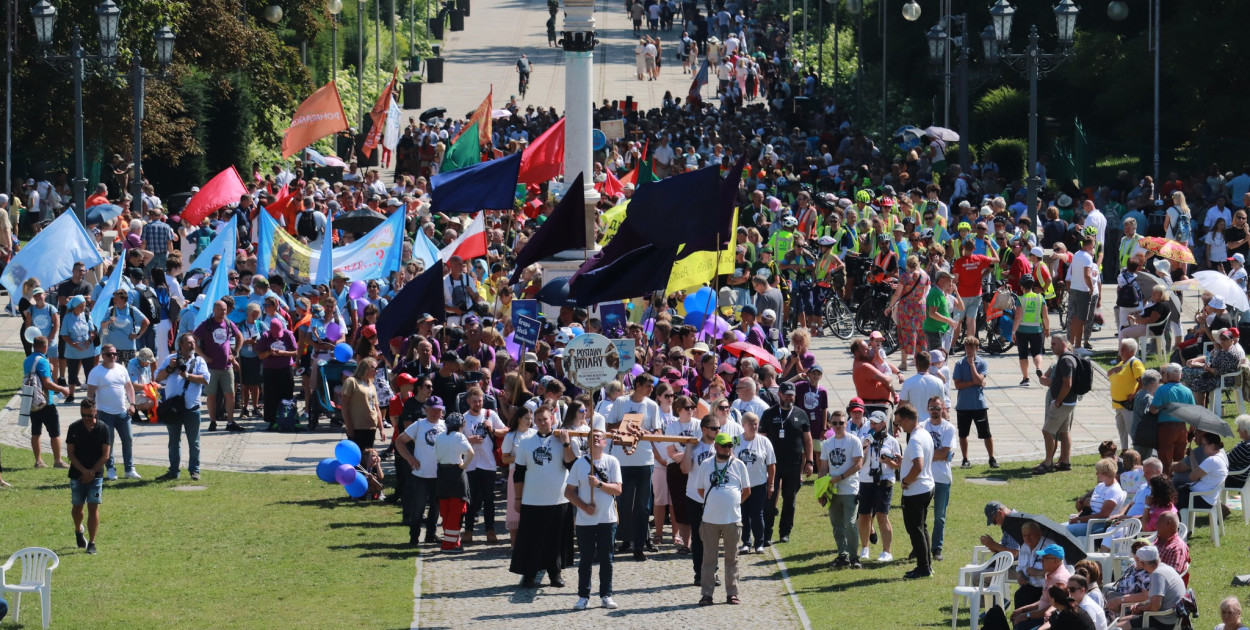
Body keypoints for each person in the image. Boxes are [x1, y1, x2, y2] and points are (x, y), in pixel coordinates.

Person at [511, 403, 575, 587]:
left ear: (552, 419)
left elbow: (571, 465)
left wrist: (566, 444)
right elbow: (519, 473)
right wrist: (517, 498)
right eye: (538, 420)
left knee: (555, 540)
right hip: (532, 499)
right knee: (532, 540)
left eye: (545, 419)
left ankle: (555, 573)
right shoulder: (526, 441)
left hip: (558, 499)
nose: (542, 423)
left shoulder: (563, 439)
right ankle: (529, 573)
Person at [565, 428, 623, 611]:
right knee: (586, 559)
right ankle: (583, 596)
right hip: (585, 520)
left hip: (607, 518)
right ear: (588, 443)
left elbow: (618, 489)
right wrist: (584, 507)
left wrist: (598, 484)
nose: (597, 439)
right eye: (593, 437)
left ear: (605, 442)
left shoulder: (612, 461)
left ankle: (606, 594)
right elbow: (568, 492)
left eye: (600, 437)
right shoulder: (579, 464)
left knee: (607, 558)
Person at [605, 376, 663, 559]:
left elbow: (658, 432)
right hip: (622, 460)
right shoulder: (621, 401)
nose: (650, 390)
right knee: (623, 504)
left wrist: (645, 432)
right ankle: (625, 540)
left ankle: (639, 545)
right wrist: (626, 425)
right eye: (647, 386)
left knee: (643, 506)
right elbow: (609, 426)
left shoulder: (652, 405)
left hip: (644, 460)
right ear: (637, 386)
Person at [695, 432, 750, 606]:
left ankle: (732, 593)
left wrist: (731, 503)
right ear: (716, 447)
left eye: (729, 446)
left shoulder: (739, 465)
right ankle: (707, 594)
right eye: (724, 445)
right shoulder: (705, 464)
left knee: (732, 558)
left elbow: (746, 490)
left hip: (732, 519)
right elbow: (700, 490)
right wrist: (717, 502)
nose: (727, 448)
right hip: (710, 519)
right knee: (709, 559)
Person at [760, 381, 813, 544]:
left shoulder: (801, 414)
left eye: (792, 395)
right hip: (772, 464)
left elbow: (808, 440)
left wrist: (809, 461)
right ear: (780, 395)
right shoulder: (769, 414)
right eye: (787, 394)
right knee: (769, 498)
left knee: (790, 499)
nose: (789, 398)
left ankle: (785, 531)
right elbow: (761, 438)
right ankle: (766, 533)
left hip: (794, 464)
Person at [156, 333, 210, 480]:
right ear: (180, 345)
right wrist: (170, 368)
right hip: (173, 409)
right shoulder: (170, 359)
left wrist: (188, 376)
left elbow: (205, 379)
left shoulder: (199, 361)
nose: (192, 345)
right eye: (188, 342)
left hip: (192, 408)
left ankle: (195, 470)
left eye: (193, 342)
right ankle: (173, 471)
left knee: (194, 441)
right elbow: (157, 377)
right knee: (174, 442)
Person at [819, 405, 864, 568]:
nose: (837, 426)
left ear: (846, 423)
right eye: (834, 423)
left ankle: (854, 556)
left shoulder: (854, 440)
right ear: (830, 424)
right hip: (832, 490)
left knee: (851, 524)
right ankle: (842, 555)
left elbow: (859, 464)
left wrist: (841, 477)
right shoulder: (827, 444)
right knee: (837, 525)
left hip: (850, 489)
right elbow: (823, 467)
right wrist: (821, 489)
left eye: (841, 423)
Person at [893, 403, 935, 578]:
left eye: (899, 422)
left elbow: (918, 466)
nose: (899, 427)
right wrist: (905, 460)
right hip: (926, 487)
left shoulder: (916, 438)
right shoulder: (924, 433)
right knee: (922, 528)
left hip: (916, 491)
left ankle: (923, 568)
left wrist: (905, 480)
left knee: (915, 530)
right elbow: (918, 461)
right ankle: (927, 565)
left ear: (908, 419)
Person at [85, 343, 138, 480]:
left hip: (122, 412)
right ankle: (110, 469)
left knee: (128, 439)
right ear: (103, 356)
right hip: (104, 413)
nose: (112, 356)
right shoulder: (96, 372)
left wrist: (132, 404)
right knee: (108, 442)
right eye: (109, 354)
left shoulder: (121, 369)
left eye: (114, 354)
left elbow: (129, 387)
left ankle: (129, 468)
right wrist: (92, 410)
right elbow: (90, 393)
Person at [398, 396, 445, 546]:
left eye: (438, 410)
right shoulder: (418, 425)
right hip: (421, 474)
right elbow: (400, 441)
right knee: (418, 507)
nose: (435, 413)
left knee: (435, 507)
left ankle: (431, 534)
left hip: (439, 474)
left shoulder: (445, 426)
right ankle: (414, 537)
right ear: (426, 409)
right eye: (432, 410)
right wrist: (410, 458)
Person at [462, 386, 506, 545]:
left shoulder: (490, 414)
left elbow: (506, 431)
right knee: (471, 498)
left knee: (489, 498)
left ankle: (490, 530)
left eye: (480, 401)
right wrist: (469, 440)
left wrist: (492, 429)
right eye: (474, 401)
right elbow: (456, 440)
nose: (478, 404)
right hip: (471, 463)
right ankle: (468, 530)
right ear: (468, 401)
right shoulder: (464, 418)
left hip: (488, 462)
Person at [66, 398, 110, 555]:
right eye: (83, 415)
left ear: (95, 412)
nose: (85, 418)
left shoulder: (103, 428)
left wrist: (91, 472)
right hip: (77, 474)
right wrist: (84, 471)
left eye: (89, 415)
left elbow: (105, 455)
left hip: (96, 475)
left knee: (93, 506)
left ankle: (92, 542)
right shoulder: (74, 428)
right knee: (77, 507)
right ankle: (78, 531)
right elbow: (70, 453)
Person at [857, 410, 900, 563]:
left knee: (882, 516)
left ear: (883, 423)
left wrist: (888, 462)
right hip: (866, 480)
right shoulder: (863, 439)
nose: (872, 425)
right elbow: (858, 462)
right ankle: (865, 547)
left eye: (876, 423)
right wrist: (866, 445)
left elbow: (898, 464)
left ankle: (887, 551)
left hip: (884, 481)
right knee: (864, 515)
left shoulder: (892, 441)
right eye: (871, 422)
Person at [193, 300, 243, 432]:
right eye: (220, 309)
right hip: (211, 367)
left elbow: (240, 337)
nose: (223, 312)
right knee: (211, 395)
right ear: (214, 310)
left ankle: (230, 422)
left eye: (225, 310)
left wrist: (235, 353)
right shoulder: (207, 324)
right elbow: (194, 340)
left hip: (227, 366)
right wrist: (203, 356)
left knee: (230, 394)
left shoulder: (228, 323)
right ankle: (212, 421)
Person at [1113, 545, 1186, 630]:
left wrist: (1141, 608)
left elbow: (1155, 607)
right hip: (1171, 617)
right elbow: (1156, 599)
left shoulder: (1157, 574)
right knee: (1120, 621)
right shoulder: (1166, 568)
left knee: (1118, 628)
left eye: (1138, 560)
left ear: (1143, 563)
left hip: (1163, 621)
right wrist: (1141, 604)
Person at [1036, 334, 1079, 474]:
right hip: (1069, 402)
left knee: (1047, 431)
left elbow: (1068, 383)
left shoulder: (1065, 361)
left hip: (1063, 402)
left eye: (1054, 344)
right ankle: (1065, 461)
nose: (1052, 346)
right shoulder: (1069, 358)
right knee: (1064, 431)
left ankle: (1048, 462)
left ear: (1063, 344)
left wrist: (1058, 400)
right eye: (1052, 343)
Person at [25, 335, 70, 468]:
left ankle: (38, 461)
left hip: (33, 401)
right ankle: (58, 461)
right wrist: (63, 389)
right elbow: (47, 383)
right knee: (55, 433)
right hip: (45, 401)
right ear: (45, 347)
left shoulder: (28, 359)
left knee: (35, 431)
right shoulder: (42, 361)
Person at [953, 337, 997, 468]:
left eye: (971, 347)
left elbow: (980, 379)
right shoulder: (959, 364)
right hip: (963, 405)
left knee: (986, 434)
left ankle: (992, 458)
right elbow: (958, 385)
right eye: (967, 347)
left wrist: (972, 365)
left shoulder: (982, 363)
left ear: (977, 348)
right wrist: (976, 383)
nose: (969, 350)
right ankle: (965, 459)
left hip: (978, 405)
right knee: (963, 434)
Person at [734, 412, 775, 554]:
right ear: (743, 425)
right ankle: (746, 542)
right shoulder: (737, 441)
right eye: (750, 423)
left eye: (755, 423)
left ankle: (759, 542)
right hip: (740, 485)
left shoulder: (764, 441)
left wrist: (771, 484)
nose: (754, 426)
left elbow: (771, 464)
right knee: (743, 514)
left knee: (757, 513)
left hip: (759, 484)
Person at [923, 395, 957, 561]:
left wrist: (929, 454)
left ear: (943, 409)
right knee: (920, 515)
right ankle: (920, 547)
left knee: (939, 516)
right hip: (924, 477)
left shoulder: (949, 428)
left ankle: (937, 548)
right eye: (932, 408)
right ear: (927, 409)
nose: (934, 412)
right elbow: (918, 452)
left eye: (937, 408)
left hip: (942, 478)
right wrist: (936, 455)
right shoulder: (922, 427)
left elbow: (945, 453)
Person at [433, 412, 473, 552]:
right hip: (456, 475)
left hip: (442, 473)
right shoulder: (459, 436)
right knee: (456, 510)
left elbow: (437, 456)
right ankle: (449, 544)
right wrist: (464, 465)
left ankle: (452, 541)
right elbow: (471, 452)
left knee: (446, 509)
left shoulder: (439, 437)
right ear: (461, 425)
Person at [1012, 544, 1074, 630]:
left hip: (1049, 621)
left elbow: (1054, 607)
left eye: (1045, 558)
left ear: (1055, 561)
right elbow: (1044, 600)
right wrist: (1023, 610)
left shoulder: (1059, 579)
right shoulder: (1050, 574)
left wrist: (1027, 615)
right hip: (1041, 617)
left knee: (1021, 624)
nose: (1041, 561)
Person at [1149, 364, 1196, 474]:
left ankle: (1166, 484)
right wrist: (1191, 430)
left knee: (1165, 461)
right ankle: (1179, 484)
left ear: (1168, 375)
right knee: (1180, 460)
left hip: (1166, 428)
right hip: (1182, 428)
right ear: (1181, 375)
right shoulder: (1187, 391)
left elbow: (1154, 409)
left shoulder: (1162, 390)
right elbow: (1193, 413)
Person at [1067, 458, 1126, 539]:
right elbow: (1090, 508)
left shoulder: (1114, 491)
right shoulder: (1101, 486)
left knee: (1065, 531)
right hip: (1087, 521)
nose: (1096, 474)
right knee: (1057, 528)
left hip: (1099, 525)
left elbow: (1103, 515)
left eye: (1098, 472)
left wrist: (1079, 520)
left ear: (1105, 474)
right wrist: (1078, 515)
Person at [1174, 432, 1228, 512]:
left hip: (1200, 498)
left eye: (1204, 445)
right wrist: (1192, 455)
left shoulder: (1212, 460)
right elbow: (1196, 475)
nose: (1202, 447)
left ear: (1212, 446)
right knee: (1173, 494)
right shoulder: (1220, 457)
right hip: (1205, 497)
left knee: (1171, 499)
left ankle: (1174, 522)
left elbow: (1192, 477)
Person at [1012, 274, 1050, 386]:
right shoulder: (1040, 298)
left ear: (1022, 287)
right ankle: (1038, 367)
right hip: (1037, 330)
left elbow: (1018, 317)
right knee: (1037, 353)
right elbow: (1045, 315)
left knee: (1023, 355)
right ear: (1032, 286)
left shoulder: (1020, 299)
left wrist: (1013, 332)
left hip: (1022, 331)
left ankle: (1025, 378)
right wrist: (1046, 328)